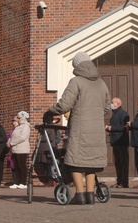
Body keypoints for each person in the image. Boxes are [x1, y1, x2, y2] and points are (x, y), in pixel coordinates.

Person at [46, 52, 111, 205]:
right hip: (96, 130)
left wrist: (51, 109)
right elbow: (108, 108)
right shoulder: (101, 83)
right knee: (91, 163)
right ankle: (90, 195)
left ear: (77, 66)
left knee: (75, 161)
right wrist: (95, 114)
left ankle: (80, 194)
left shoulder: (76, 82)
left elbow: (65, 105)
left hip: (80, 128)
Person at [105, 97, 130, 188]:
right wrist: (108, 129)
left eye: (112, 103)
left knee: (123, 162)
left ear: (118, 104)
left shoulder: (123, 113)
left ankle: (124, 182)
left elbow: (124, 127)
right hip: (115, 141)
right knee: (118, 162)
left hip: (121, 141)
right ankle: (119, 181)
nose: (111, 105)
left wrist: (111, 128)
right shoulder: (115, 113)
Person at [7, 111, 31, 190]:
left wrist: (12, 143)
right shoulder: (18, 127)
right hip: (15, 149)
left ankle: (23, 182)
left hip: (22, 149)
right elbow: (13, 136)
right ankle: (17, 181)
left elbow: (22, 137)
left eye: (19, 117)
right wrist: (9, 141)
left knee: (22, 166)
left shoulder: (26, 126)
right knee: (16, 166)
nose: (18, 119)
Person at [6, 116, 19, 186]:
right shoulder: (11, 131)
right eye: (13, 121)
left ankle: (18, 180)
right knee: (12, 165)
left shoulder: (19, 130)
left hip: (18, 149)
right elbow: (8, 137)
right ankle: (14, 180)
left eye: (15, 121)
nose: (14, 123)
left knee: (17, 165)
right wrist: (8, 142)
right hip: (11, 150)